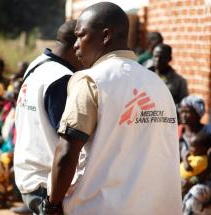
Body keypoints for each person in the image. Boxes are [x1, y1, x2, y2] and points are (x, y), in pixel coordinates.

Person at [47, 3, 182, 215]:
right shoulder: (158, 85)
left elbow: (66, 152)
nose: (75, 45)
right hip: (159, 208)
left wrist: (53, 205)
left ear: (105, 36)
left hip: (101, 207)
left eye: (81, 35)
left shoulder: (91, 81)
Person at [14, 20, 83, 214]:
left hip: (29, 175)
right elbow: (70, 140)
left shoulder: (36, 64)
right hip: (48, 184)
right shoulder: (62, 78)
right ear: (77, 45)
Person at [181, 129, 211, 194]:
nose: (190, 148)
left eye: (193, 147)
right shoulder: (195, 155)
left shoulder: (201, 160)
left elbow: (189, 169)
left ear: (203, 149)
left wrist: (184, 157)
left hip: (190, 181)